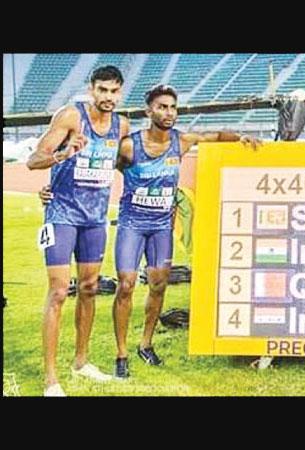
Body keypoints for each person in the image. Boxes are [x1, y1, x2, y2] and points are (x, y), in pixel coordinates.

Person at [41, 84, 261, 379]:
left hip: (160, 227)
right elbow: (93, 163)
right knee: (127, 284)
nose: (168, 112)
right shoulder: (129, 145)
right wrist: (50, 188)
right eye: (162, 107)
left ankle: (145, 344)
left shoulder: (181, 142)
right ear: (149, 111)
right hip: (132, 224)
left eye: (172, 107)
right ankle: (121, 354)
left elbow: (216, 136)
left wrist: (240, 137)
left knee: (158, 285)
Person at [26, 66, 130, 396]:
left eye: (114, 92)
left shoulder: (122, 125)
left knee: (88, 288)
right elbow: (33, 160)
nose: (108, 97)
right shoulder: (71, 116)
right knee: (58, 292)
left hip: (95, 219)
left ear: (120, 93)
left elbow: (125, 163)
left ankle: (81, 362)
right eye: (102, 90)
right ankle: (51, 379)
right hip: (62, 215)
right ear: (91, 89)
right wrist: (63, 153)